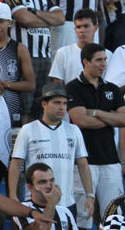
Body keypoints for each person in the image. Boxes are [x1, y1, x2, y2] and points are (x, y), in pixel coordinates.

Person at [8, 82, 92, 219]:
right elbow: (16, 165)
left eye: (65, 103)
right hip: (36, 203)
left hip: (67, 203)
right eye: (57, 102)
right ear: (44, 104)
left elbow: (83, 165)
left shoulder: (74, 130)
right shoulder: (28, 129)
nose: (62, 107)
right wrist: (13, 195)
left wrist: (90, 195)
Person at [65, 43, 125, 230]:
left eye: (105, 59)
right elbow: (80, 121)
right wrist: (110, 117)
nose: (104, 64)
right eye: (99, 60)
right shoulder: (73, 87)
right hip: (83, 162)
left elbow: (123, 120)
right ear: (86, 62)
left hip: (110, 161)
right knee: (82, 220)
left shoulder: (113, 89)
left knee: (114, 219)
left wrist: (97, 112)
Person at [4, 0, 65, 117]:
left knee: (42, 105)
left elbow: (60, 18)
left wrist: (34, 12)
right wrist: (47, 19)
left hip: (45, 57)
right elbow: (23, 19)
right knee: (24, 105)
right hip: (24, 56)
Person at [50, 9, 110, 87]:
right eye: (78, 27)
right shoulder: (63, 53)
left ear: (95, 28)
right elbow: (57, 84)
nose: (82, 30)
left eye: (86, 26)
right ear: (75, 29)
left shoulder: (108, 55)